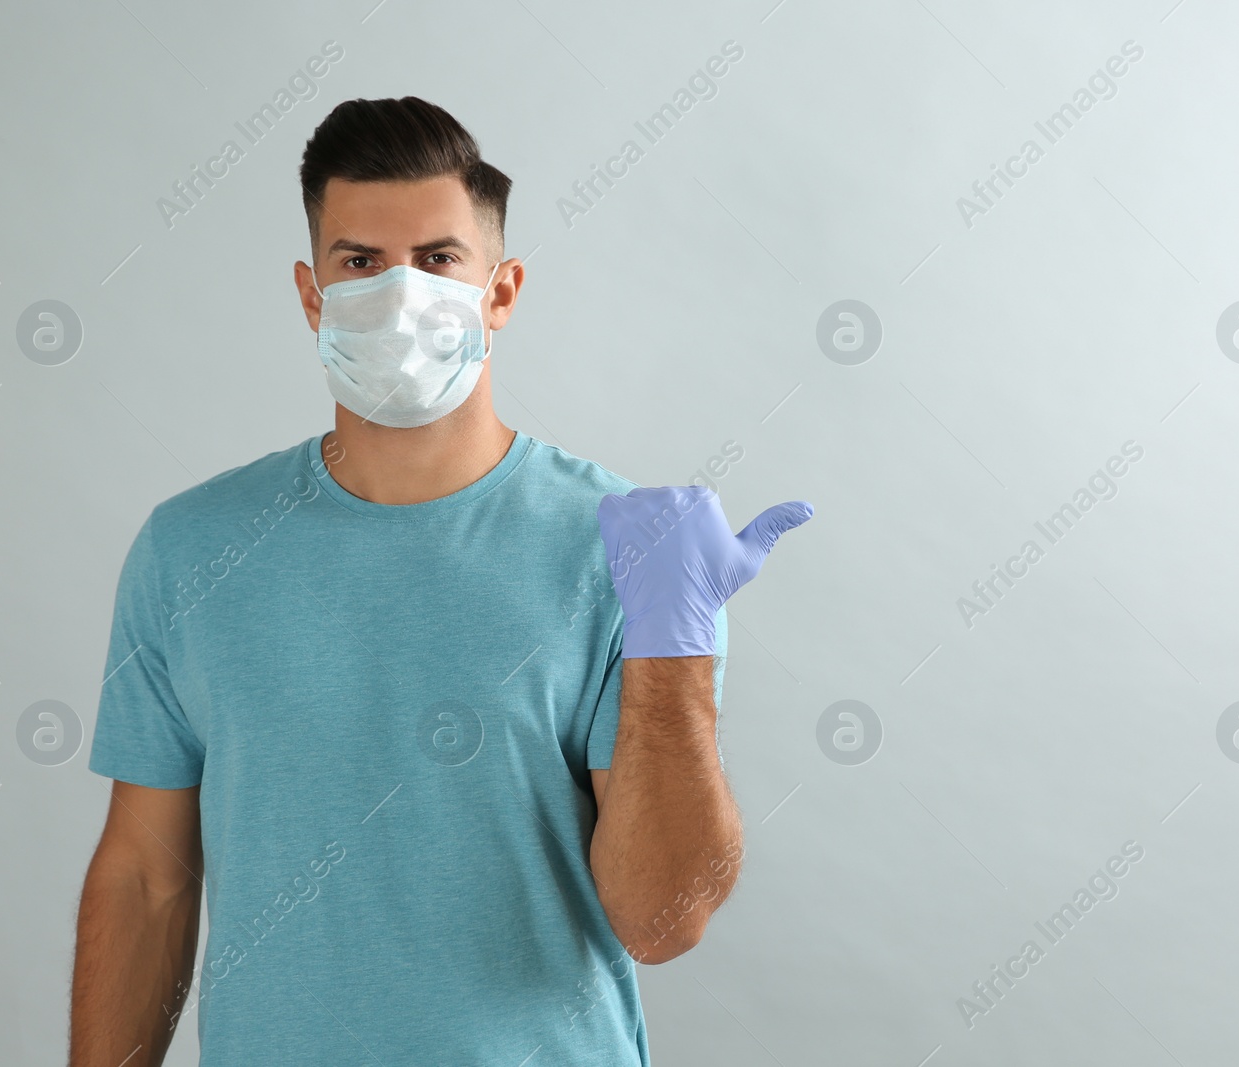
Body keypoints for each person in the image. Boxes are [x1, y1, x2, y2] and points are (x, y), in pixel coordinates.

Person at [67, 95, 812, 1066]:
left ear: (499, 292)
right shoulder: (191, 548)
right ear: (310, 292)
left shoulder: (626, 550)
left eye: (438, 259)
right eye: (360, 262)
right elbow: (145, 878)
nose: (399, 291)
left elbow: (662, 920)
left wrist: (673, 645)